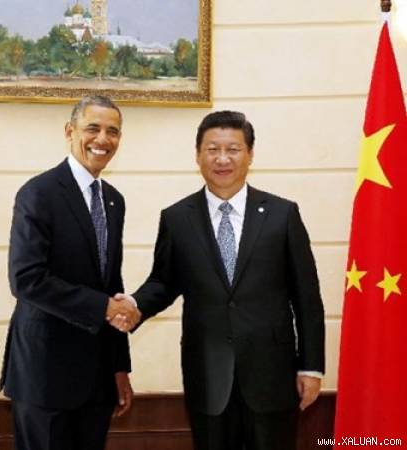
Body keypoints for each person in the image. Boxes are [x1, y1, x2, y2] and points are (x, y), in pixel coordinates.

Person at [111, 111, 325, 450]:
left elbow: (307, 299)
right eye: (212, 149)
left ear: (250, 155)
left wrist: (311, 367)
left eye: (233, 149)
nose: (222, 159)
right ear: (198, 155)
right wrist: (135, 304)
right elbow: (163, 282)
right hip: (208, 375)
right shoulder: (177, 218)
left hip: (272, 374)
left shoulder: (282, 214)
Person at [0, 95, 139, 450]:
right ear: (69, 131)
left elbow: (112, 284)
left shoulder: (114, 201)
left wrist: (119, 367)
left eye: (112, 131)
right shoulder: (39, 193)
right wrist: (103, 307)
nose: (102, 139)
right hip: (44, 374)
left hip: (97, 379)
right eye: (93, 128)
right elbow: (27, 279)